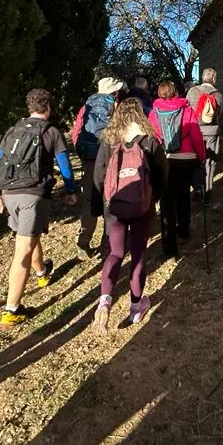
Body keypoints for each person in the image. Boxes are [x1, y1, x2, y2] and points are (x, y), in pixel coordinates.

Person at [0, 88, 78, 330]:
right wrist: (71, 189)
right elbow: (64, 165)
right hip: (33, 194)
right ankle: (11, 310)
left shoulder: (13, 130)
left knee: (27, 238)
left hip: (10, 193)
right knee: (23, 251)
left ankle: (42, 273)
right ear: (48, 107)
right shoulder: (51, 132)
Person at [91, 98, 167, 331]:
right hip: (141, 206)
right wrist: (153, 198)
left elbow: (98, 176)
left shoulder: (108, 140)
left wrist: (100, 206)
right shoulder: (150, 140)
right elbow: (162, 174)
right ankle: (136, 307)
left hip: (114, 206)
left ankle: (104, 300)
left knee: (114, 253)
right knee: (138, 253)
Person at [148, 81, 205, 259]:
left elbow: (153, 138)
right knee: (183, 195)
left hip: (166, 159)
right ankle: (184, 230)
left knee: (166, 201)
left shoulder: (153, 113)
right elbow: (195, 134)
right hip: (186, 159)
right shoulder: (186, 109)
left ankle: (169, 244)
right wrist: (201, 156)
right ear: (175, 91)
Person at [71, 77, 126, 259]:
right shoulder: (116, 107)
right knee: (109, 201)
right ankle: (107, 245)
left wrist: (83, 152)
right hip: (109, 158)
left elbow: (77, 133)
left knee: (89, 200)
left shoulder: (86, 107)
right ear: (113, 92)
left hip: (89, 159)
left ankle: (83, 241)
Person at [186, 68, 223, 205]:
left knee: (195, 161)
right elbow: (219, 115)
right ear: (213, 78)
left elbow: (187, 112)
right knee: (210, 163)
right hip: (212, 132)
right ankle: (208, 195)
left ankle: (197, 189)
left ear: (202, 78)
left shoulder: (192, 92)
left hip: (195, 131)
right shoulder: (218, 95)